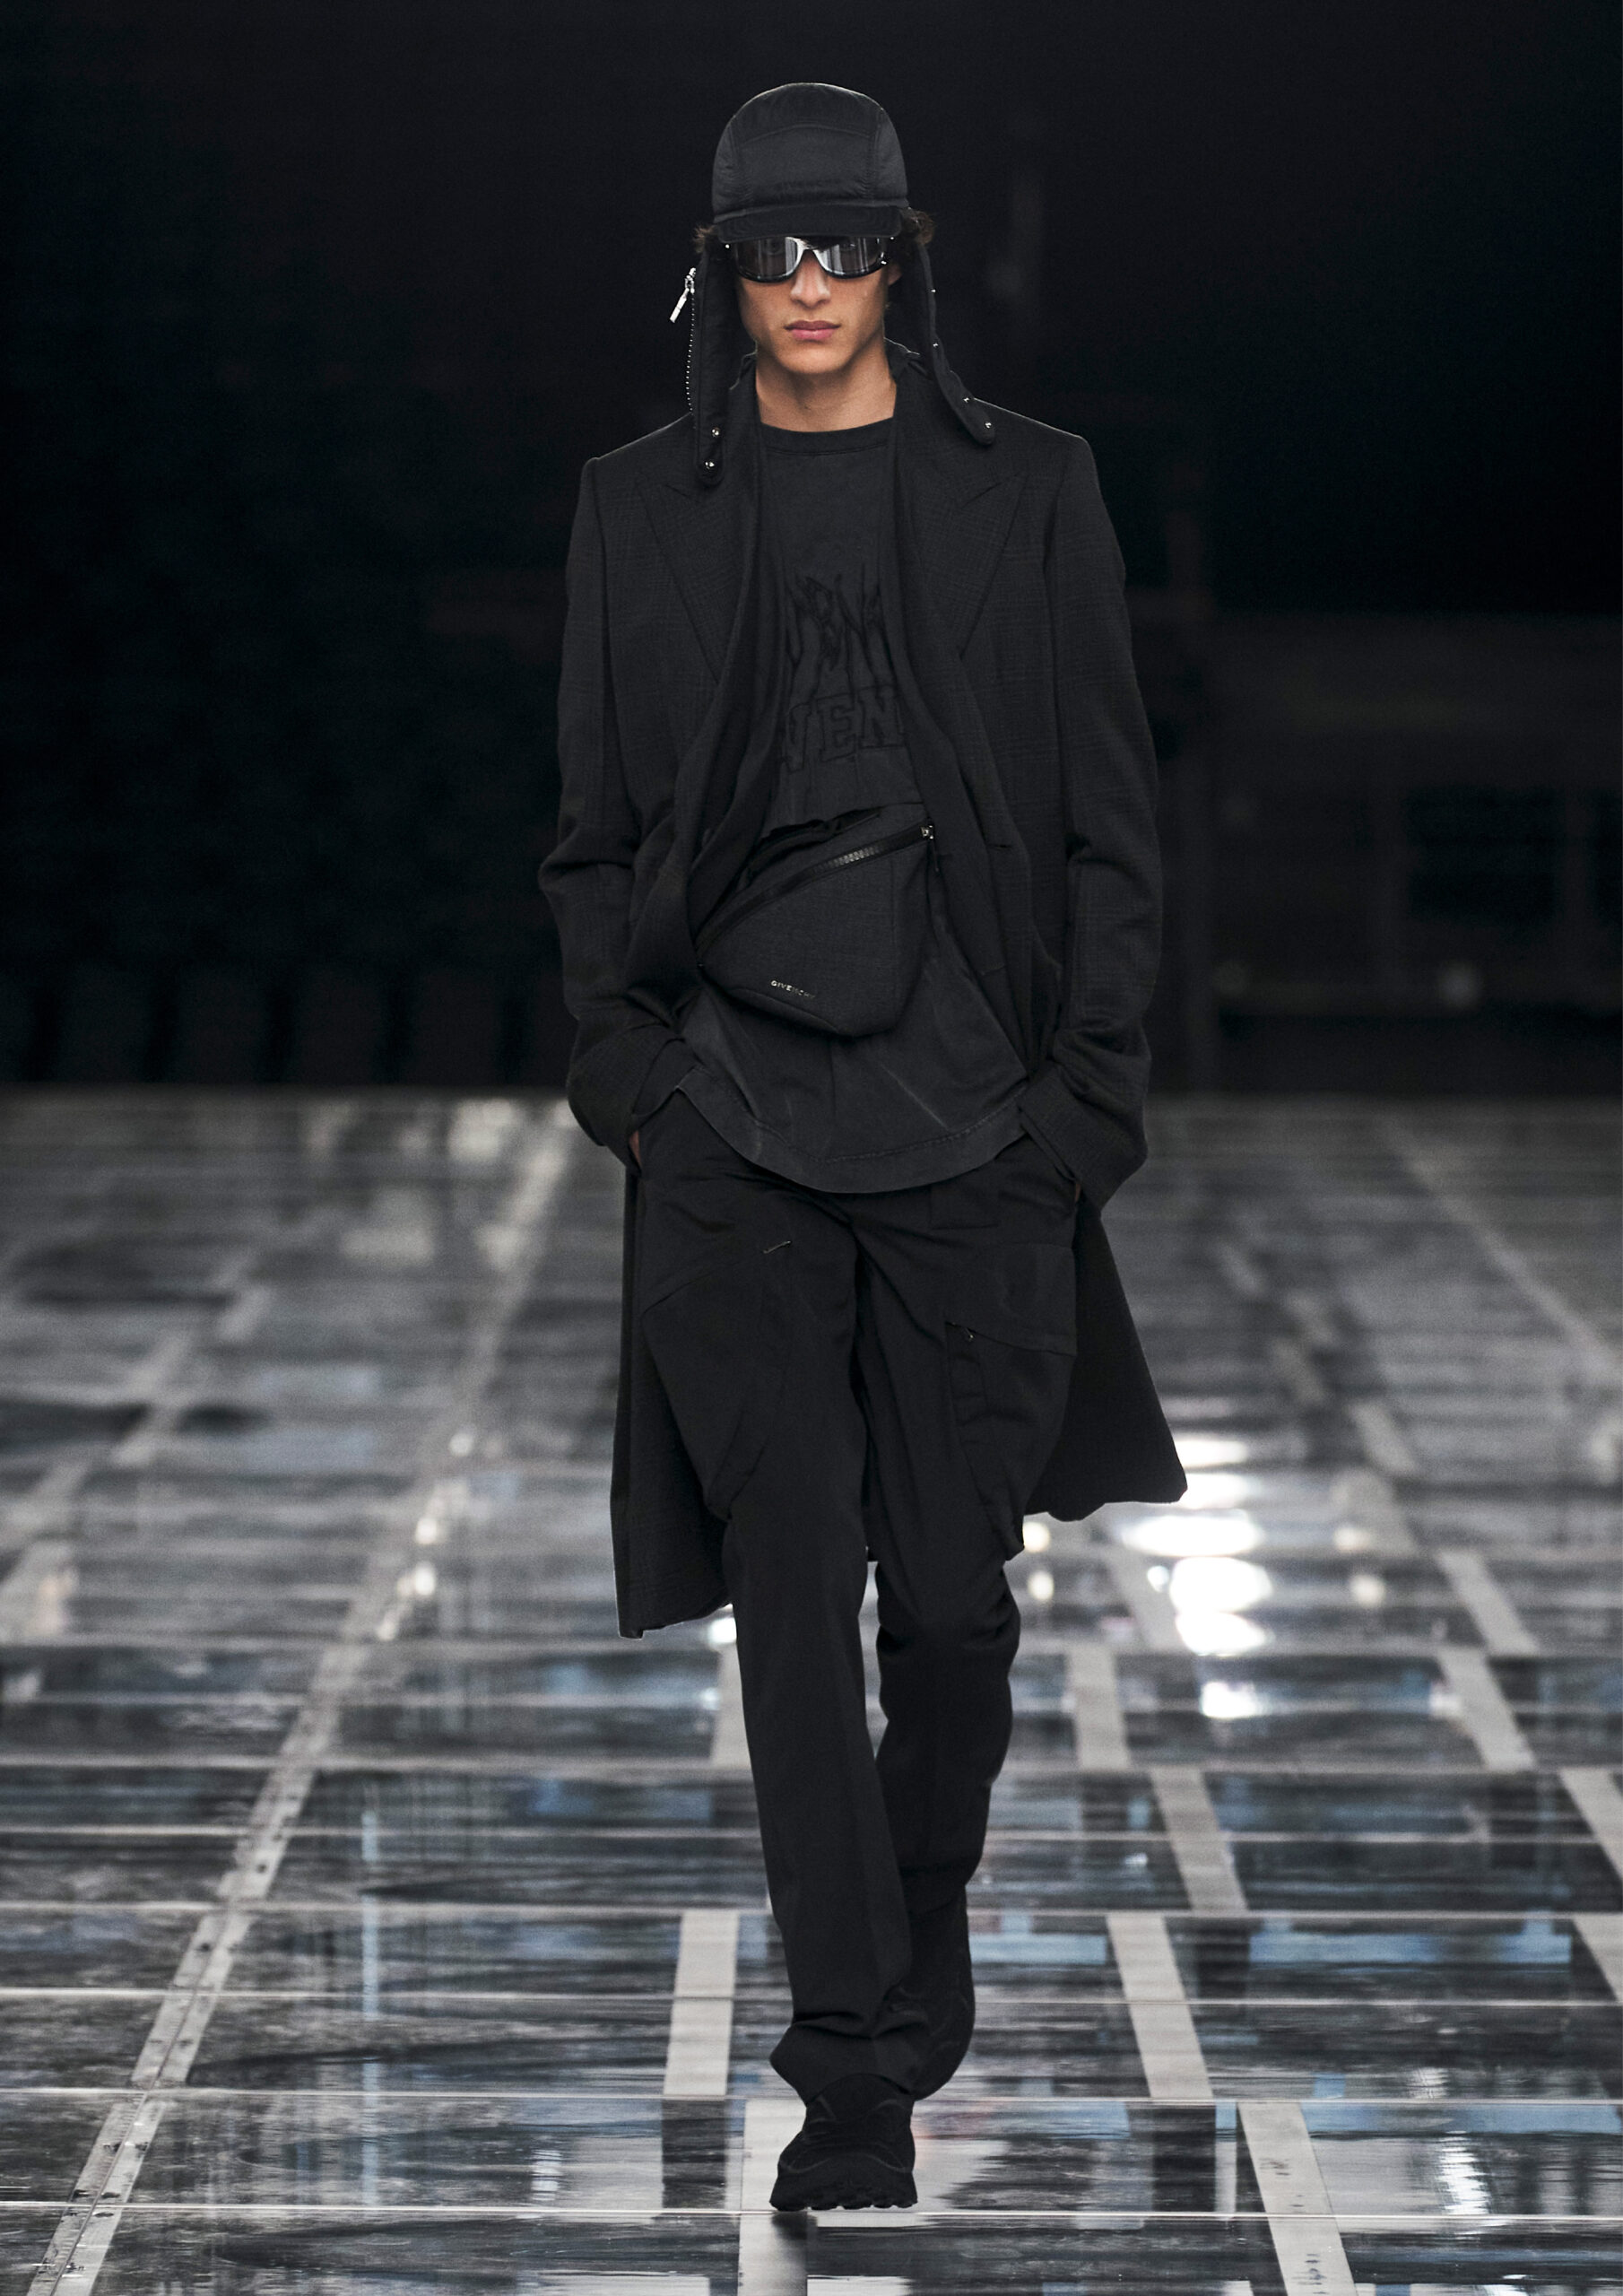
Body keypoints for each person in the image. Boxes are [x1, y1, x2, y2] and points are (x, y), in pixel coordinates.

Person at [541, 81, 1185, 2212]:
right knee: (791, 1595)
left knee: (957, 1609)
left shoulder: (1032, 490)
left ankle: (907, 1960)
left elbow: (1109, 823)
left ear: (898, 262)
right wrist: (634, 1081)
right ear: (718, 275)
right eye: (771, 253)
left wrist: (1080, 1113)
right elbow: (590, 834)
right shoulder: (635, 505)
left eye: (843, 249)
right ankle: (850, 2073)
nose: (807, 287)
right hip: (730, 1118)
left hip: (975, 1122)